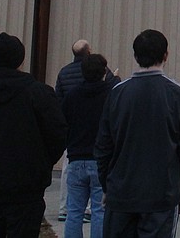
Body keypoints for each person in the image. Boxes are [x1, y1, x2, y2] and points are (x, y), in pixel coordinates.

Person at [0, 32, 67, 238]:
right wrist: (41, 162)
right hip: (27, 188)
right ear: (20, 60)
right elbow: (58, 134)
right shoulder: (39, 94)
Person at [94, 29, 180, 238]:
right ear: (166, 55)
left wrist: (106, 185)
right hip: (161, 194)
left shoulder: (117, 93)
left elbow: (104, 146)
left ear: (135, 56)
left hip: (121, 192)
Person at [56, 40, 120, 224]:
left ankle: (63, 209)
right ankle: (89, 211)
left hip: (75, 147)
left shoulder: (66, 78)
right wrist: (115, 79)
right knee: (99, 209)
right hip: (98, 149)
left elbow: (59, 105)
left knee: (72, 206)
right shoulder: (106, 90)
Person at [62, 54, 113, 238]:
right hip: (100, 160)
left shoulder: (72, 95)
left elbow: (64, 123)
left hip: (76, 158)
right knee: (99, 211)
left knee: (74, 211)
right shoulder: (110, 94)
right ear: (104, 72)